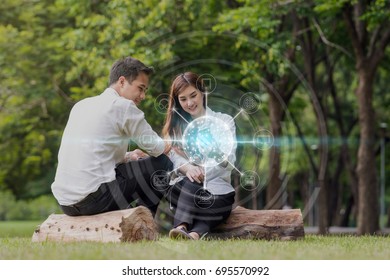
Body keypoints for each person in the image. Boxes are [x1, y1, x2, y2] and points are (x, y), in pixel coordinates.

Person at [51, 56, 173, 217]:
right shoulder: (123, 106)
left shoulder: (81, 105)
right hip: (95, 200)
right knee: (162, 163)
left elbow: (93, 153)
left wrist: (129, 156)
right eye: (140, 88)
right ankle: (143, 224)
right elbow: (158, 148)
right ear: (122, 82)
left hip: (66, 203)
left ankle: (134, 220)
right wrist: (174, 141)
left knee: (139, 164)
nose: (143, 96)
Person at [162, 72, 236, 240]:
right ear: (178, 102)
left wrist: (216, 154)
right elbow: (173, 156)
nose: (190, 103)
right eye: (183, 99)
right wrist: (189, 168)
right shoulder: (177, 127)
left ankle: (193, 234)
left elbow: (231, 163)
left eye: (193, 95)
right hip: (184, 190)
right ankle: (181, 226)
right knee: (193, 180)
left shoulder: (225, 121)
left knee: (223, 203)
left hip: (217, 190)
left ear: (203, 92)